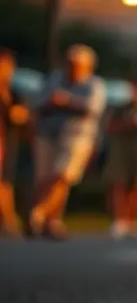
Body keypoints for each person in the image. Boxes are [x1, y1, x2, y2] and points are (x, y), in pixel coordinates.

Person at [29, 44, 107, 240]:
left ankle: (38, 213)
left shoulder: (93, 85)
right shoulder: (54, 79)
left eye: (77, 65)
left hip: (77, 136)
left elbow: (93, 109)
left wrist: (67, 101)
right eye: (70, 63)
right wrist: (51, 103)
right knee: (44, 178)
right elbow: (37, 103)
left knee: (63, 176)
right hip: (48, 134)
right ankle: (51, 221)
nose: (73, 68)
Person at [102, 77, 137, 239]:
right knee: (119, 184)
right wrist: (129, 124)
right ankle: (120, 220)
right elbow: (110, 127)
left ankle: (133, 219)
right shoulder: (121, 107)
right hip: (121, 151)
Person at [0, 49, 31, 237]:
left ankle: (8, 220)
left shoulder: (14, 92)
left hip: (8, 141)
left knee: (5, 181)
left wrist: (20, 115)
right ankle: (8, 220)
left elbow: (23, 115)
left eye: (8, 67)